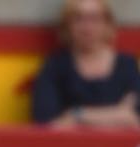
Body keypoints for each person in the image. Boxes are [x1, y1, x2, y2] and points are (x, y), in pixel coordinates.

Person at [31, 0, 140, 128]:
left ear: (108, 24)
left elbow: (134, 121)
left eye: (94, 18)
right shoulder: (55, 67)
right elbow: (47, 125)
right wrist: (117, 115)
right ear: (67, 26)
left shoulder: (127, 65)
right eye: (78, 18)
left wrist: (75, 115)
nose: (87, 26)